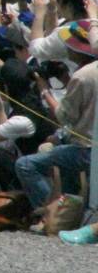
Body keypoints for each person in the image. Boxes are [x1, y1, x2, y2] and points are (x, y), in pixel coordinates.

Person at [16, 21, 97, 210]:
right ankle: (69, 211)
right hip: (87, 145)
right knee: (59, 149)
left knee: (25, 165)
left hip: (86, 149)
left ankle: (49, 213)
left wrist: (45, 90)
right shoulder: (85, 74)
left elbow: (63, 117)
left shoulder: (82, 76)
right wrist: (66, 80)